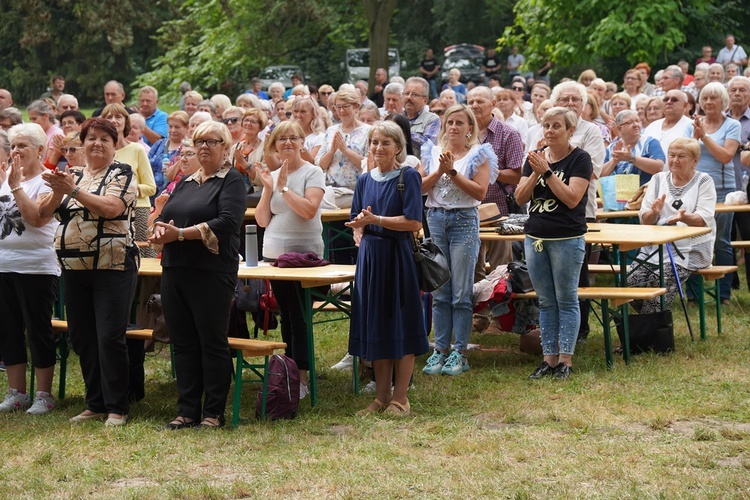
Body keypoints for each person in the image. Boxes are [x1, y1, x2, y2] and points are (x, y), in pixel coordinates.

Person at [39, 118, 139, 426]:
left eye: (104, 139)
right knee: (82, 337)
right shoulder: (74, 174)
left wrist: (73, 191)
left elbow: (111, 208)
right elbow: (44, 214)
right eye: (91, 138)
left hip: (112, 265)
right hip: (73, 267)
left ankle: (117, 407)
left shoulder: (121, 172)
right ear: (82, 144)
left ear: (114, 144)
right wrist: (59, 190)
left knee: (109, 336)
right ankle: (95, 403)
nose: (96, 143)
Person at [148, 121, 246, 429]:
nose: (204, 146)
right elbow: (165, 217)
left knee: (211, 341)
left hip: (212, 272)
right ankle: (187, 409)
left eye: (212, 141)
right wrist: (158, 230)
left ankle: (213, 411)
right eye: (199, 141)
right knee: (183, 341)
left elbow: (228, 221)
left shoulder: (231, 179)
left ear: (225, 147)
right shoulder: (186, 181)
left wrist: (180, 235)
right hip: (175, 269)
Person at [345, 121, 427, 415]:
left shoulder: (408, 177)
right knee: (377, 323)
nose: (379, 148)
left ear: (398, 148)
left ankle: (400, 397)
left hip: (397, 256)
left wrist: (376, 220)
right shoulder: (364, 180)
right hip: (370, 257)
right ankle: (381, 397)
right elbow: (357, 218)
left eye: (385, 143)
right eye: (374, 142)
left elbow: (414, 222)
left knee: (400, 323)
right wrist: (357, 229)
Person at [418, 104, 498, 376]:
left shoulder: (479, 154)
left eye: (459, 123)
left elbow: (479, 193)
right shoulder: (431, 152)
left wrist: (452, 172)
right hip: (436, 219)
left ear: (469, 129)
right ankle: (440, 349)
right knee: (439, 287)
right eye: (449, 122)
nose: (453, 127)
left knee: (461, 291)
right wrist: (439, 171)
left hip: (464, 219)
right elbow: (419, 188)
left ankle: (460, 351)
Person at [515, 107, 593, 379]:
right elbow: (520, 198)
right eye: (546, 125)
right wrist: (536, 172)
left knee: (567, 299)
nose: (549, 131)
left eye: (556, 126)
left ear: (570, 131)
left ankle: (565, 361)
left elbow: (572, 199)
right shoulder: (534, 159)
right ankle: (548, 359)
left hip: (567, 238)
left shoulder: (580, 159)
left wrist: (547, 173)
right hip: (535, 237)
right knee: (546, 301)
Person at [255, 120, 326, 399]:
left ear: (302, 143)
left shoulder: (313, 172)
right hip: (275, 255)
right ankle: (289, 373)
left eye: (293, 138)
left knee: (300, 317)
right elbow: (262, 219)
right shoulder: (272, 175)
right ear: (273, 145)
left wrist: (284, 189)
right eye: (281, 139)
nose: (287, 143)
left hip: (304, 257)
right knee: (286, 315)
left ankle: (303, 379)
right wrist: (267, 188)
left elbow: (308, 210)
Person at [0, 124, 60, 414]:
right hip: (4, 265)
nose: (16, 151)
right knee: (8, 329)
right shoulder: (8, 178)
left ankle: (44, 394)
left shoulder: (47, 182)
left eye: (22, 145)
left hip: (35, 268)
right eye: (13, 146)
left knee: (37, 330)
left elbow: (36, 219)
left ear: (40, 149)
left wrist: (14, 185)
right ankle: (17, 392)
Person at [629, 138, 715, 314]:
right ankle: (651, 326)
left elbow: (704, 219)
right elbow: (644, 219)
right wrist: (654, 213)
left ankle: (647, 333)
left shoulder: (703, 181)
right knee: (631, 280)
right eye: (671, 155)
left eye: (681, 156)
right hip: (655, 247)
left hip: (691, 249)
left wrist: (684, 217)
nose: (675, 160)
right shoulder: (658, 179)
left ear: (695, 161)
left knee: (659, 277)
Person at [684, 82, 741, 304]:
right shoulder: (695, 124)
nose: (708, 102)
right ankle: (693, 294)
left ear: (723, 102)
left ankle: (723, 293)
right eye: (705, 98)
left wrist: (704, 136)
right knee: (691, 239)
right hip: (696, 188)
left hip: (722, 190)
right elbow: (690, 154)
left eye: (713, 98)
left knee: (721, 241)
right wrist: (696, 136)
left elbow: (726, 156)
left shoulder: (732, 125)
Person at [102, 104, 158, 253]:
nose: (114, 120)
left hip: (137, 211)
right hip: (109, 211)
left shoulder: (137, 149)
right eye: (109, 117)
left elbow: (151, 188)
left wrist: (124, 191)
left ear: (125, 121)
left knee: (142, 255)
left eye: (118, 117)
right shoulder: (100, 151)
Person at [316, 87, 370, 204]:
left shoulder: (368, 131)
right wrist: (331, 152)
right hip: (332, 191)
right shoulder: (331, 131)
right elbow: (320, 165)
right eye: (338, 107)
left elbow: (369, 164)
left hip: (357, 192)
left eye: (345, 107)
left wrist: (346, 150)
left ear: (356, 107)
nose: (341, 111)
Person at [602, 110, 665, 185]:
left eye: (637, 121)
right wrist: (614, 161)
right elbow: (600, 175)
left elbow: (659, 168)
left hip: (644, 194)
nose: (636, 125)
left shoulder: (650, 142)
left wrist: (632, 158)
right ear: (619, 129)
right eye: (630, 122)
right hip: (615, 194)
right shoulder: (611, 148)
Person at [643, 90, 693, 160]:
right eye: (666, 99)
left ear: (684, 105)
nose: (669, 102)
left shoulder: (692, 126)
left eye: (674, 100)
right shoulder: (652, 126)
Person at [147, 110, 189, 191]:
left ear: (186, 128)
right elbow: (146, 163)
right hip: (151, 191)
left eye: (177, 127)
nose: (173, 130)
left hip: (174, 191)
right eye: (170, 126)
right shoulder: (159, 144)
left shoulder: (188, 147)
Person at [230, 107, 267, 193]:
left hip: (256, 195)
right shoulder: (236, 147)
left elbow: (265, 178)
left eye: (253, 122)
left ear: (261, 127)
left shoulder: (265, 147)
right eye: (246, 120)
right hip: (235, 192)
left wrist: (244, 164)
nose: (248, 123)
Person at [27, 100, 63, 166]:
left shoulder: (56, 134)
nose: (32, 122)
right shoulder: (39, 134)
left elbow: (49, 161)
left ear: (46, 116)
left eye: (34, 119)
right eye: (30, 119)